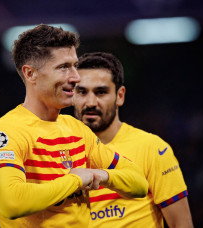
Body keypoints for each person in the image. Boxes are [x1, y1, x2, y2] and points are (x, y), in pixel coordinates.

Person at [0, 25, 149, 228]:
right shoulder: (7, 133)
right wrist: (75, 180)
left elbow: (139, 183)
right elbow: (12, 203)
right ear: (30, 74)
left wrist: (102, 175)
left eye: (74, 66)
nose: (76, 77)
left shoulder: (77, 130)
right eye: (63, 67)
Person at [73, 52, 194, 228]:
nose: (91, 102)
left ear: (120, 95)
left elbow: (181, 224)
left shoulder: (153, 148)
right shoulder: (56, 151)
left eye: (101, 92)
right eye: (82, 92)